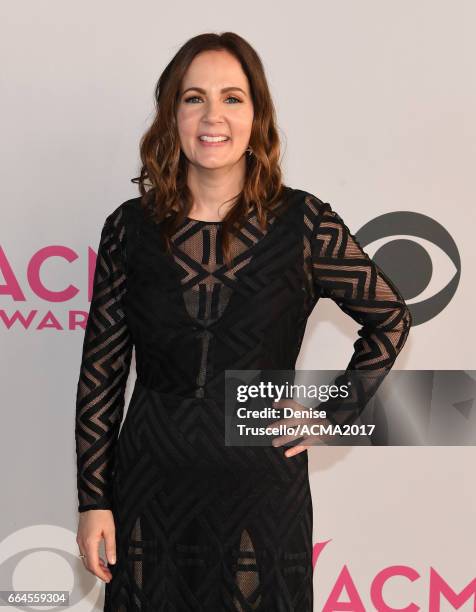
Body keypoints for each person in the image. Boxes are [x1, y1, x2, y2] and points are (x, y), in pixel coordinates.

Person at [75, 31, 412, 612]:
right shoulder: (129, 229)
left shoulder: (303, 223)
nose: (213, 116)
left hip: (260, 485)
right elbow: (101, 376)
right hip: (150, 481)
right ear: (171, 115)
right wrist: (92, 499)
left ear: (257, 117)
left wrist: (337, 411)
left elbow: (391, 318)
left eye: (232, 98)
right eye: (193, 98)